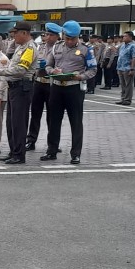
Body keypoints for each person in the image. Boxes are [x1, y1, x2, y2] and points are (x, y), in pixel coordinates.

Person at [40, 20, 97, 165]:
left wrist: (81, 76)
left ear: (78, 37)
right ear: (63, 35)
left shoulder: (86, 50)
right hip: (57, 87)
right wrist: (53, 71)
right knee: (54, 121)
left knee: (76, 122)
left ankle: (75, 154)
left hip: (74, 88)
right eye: (67, 38)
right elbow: (48, 65)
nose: (70, 41)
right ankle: (51, 150)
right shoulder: (57, 47)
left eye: (73, 38)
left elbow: (92, 70)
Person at [0, 21, 37, 165]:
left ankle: (19, 155)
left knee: (19, 123)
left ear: (24, 33)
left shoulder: (29, 48)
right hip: (14, 87)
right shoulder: (20, 47)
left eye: (16, 33)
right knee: (11, 122)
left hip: (22, 88)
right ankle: (13, 151)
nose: (13, 36)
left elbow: (20, 70)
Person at [26, 22, 61, 151]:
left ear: (57, 36)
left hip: (52, 84)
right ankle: (31, 140)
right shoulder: (39, 47)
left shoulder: (59, 49)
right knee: (35, 113)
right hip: (39, 82)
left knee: (52, 116)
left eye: (51, 35)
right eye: (46, 34)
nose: (47, 37)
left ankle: (52, 143)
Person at [116, 31, 135, 106]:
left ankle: (127, 99)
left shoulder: (133, 46)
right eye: (123, 36)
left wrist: (132, 69)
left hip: (128, 68)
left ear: (130, 37)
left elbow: (134, 58)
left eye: (125, 36)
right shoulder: (122, 45)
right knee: (122, 84)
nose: (123, 38)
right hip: (121, 67)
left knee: (128, 84)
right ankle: (123, 98)